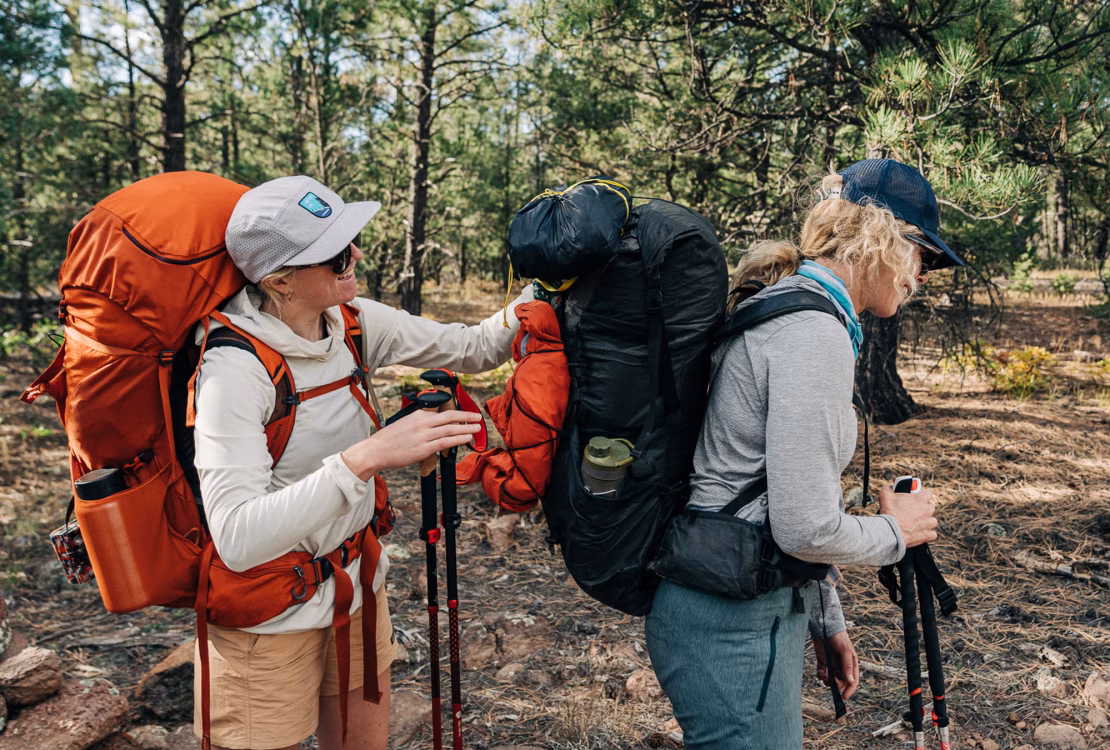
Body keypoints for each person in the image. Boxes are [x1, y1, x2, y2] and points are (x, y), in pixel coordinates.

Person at [190, 175, 533, 750]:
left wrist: (543, 290)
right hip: (267, 613)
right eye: (334, 253)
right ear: (278, 279)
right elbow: (237, 536)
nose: (354, 256)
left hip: (354, 582)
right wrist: (368, 458)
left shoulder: (350, 322)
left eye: (349, 239)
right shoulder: (233, 370)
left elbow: (472, 347)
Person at [644, 158, 965, 749]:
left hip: (735, 608)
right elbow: (805, 527)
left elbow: (773, 493)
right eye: (924, 253)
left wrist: (824, 619)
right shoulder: (813, 334)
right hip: (733, 623)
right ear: (882, 236)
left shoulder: (795, 309)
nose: (924, 274)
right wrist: (900, 531)